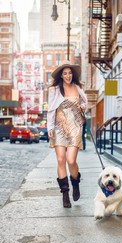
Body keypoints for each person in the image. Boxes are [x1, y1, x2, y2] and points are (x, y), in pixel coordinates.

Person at [47, 60, 88, 208]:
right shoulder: (55, 90)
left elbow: (85, 104)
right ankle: (65, 194)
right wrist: (49, 126)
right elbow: (51, 109)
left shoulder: (78, 88)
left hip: (75, 126)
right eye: (65, 73)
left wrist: (82, 106)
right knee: (60, 159)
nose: (68, 75)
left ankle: (75, 182)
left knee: (71, 160)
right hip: (59, 126)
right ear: (61, 75)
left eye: (70, 73)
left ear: (73, 74)